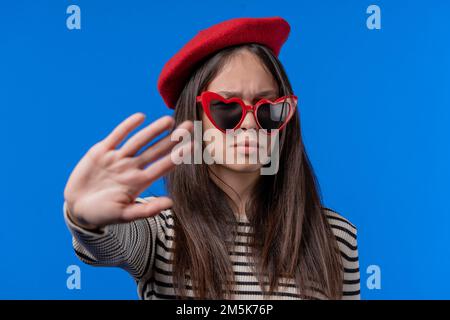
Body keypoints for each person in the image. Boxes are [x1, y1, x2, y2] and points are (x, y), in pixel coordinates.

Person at [63, 16, 360, 300]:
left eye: (268, 107)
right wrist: (83, 219)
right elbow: (107, 244)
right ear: (194, 119)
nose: (249, 123)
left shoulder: (336, 236)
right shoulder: (160, 228)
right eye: (226, 107)